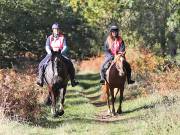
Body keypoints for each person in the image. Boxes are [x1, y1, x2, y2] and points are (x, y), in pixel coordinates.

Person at [37, 22, 79, 87]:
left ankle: (73, 81)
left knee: (70, 63)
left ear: (59, 30)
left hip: (60, 53)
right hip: (51, 54)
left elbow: (65, 46)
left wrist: (61, 52)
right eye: (55, 29)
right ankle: (40, 80)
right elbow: (47, 46)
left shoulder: (62, 37)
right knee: (41, 64)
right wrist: (50, 53)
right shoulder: (49, 38)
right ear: (53, 30)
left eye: (57, 29)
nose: (56, 31)